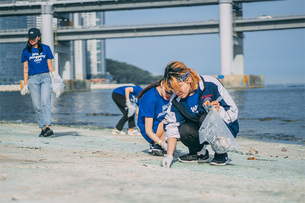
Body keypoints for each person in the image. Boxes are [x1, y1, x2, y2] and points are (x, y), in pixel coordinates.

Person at [161, 61, 239, 168]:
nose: (176, 91)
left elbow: (233, 112)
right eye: (172, 89)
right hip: (199, 131)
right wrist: (169, 156)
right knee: (184, 128)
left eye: (179, 86)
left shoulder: (211, 84)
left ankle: (221, 154)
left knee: (206, 117)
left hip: (225, 128)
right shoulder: (176, 101)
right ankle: (200, 154)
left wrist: (219, 111)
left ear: (188, 79)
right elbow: (171, 127)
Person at [20, 28, 61, 137]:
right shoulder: (26, 51)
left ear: (39, 37)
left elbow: (50, 65)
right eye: (30, 38)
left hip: (45, 77)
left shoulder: (46, 49)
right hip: (32, 80)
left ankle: (47, 126)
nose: (31, 40)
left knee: (45, 101)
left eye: (33, 37)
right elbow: (25, 69)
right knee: (37, 105)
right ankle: (42, 128)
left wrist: (54, 73)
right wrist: (25, 84)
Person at [137, 79, 173, 156]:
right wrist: (162, 143)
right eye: (167, 92)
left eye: (172, 93)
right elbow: (148, 130)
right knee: (170, 120)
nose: (169, 96)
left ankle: (160, 145)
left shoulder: (169, 96)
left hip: (162, 124)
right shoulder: (150, 98)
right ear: (162, 84)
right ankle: (157, 144)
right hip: (150, 130)